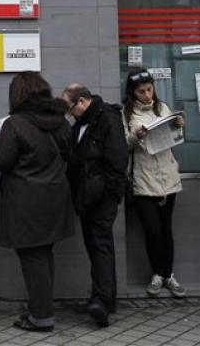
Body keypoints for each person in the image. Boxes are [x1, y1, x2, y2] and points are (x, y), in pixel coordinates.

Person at [0, 72, 75, 332]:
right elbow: (70, 155)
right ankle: (39, 309)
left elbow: (2, 160)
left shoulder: (15, 124)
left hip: (26, 200)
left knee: (32, 257)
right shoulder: (61, 122)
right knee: (44, 254)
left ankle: (42, 316)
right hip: (56, 197)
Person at [61, 84, 128, 328]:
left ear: (81, 101)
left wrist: (107, 192)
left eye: (71, 109)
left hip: (101, 197)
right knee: (95, 245)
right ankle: (102, 298)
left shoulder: (107, 119)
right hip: (86, 197)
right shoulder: (81, 124)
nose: (71, 114)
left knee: (100, 244)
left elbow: (118, 159)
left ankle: (102, 301)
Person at [122, 69, 186, 299]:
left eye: (150, 89)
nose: (148, 95)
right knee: (152, 230)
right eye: (142, 91)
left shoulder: (163, 108)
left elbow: (176, 138)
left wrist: (178, 125)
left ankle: (169, 274)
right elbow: (124, 144)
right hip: (144, 177)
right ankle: (157, 274)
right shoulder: (127, 114)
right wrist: (136, 135)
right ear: (132, 92)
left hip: (168, 175)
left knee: (166, 229)